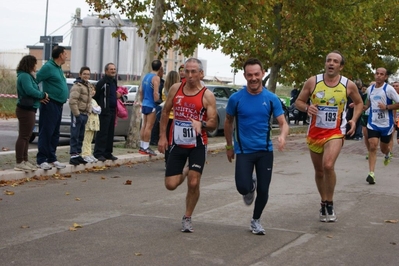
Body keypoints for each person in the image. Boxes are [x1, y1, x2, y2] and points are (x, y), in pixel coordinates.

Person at [295, 50, 363, 222]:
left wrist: (354, 120)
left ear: (341, 66)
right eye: (328, 60)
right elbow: (299, 101)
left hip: (336, 132)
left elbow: (360, 103)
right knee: (319, 171)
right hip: (315, 132)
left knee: (328, 165)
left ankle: (330, 202)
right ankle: (323, 202)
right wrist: (306, 108)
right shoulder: (313, 81)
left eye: (335, 61)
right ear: (325, 63)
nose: (331, 63)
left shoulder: (348, 85)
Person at [224, 58, 289, 235]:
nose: (253, 78)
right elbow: (228, 122)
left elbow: (283, 123)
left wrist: (282, 136)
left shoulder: (271, 98)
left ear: (262, 74)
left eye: (256, 74)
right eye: (249, 75)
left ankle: (256, 220)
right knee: (242, 188)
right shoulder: (236, 99)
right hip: (244, 151)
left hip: (265, 151)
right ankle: (249, 185)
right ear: (245, 75)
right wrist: (229, 146)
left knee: (264, 190)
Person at [158, 58, 217, 233]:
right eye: (186, 71)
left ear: (201, 74)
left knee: (193, 182)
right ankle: (186, 170)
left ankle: (187, 217)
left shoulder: (207, 95)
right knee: (170, 184)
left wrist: (203, 124)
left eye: (193, 72)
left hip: (198, 143)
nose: (189, 75)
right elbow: (165, 111)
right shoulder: (176, 89)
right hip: (178, 143)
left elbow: (213, 122)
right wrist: (162, 136)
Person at [363, 68, 399, 184]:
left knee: (383, 149)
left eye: (381, 74)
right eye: (377, 73)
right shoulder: (370, 89)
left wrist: (387, 107)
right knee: (373, 146)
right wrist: (361, 107)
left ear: (385, 77)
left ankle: (388, 153)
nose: (378, 76)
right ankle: (371, 173)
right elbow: (368, 103)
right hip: (373, 123)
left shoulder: (389, 89)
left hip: (386, 124)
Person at [36, 46, 69, 170]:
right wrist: (39, 96)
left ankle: (52, 158)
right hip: (50, 104)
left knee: (55, 133)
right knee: (46, 132)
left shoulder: (59, 68)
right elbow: (35, 80)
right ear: (60, 55)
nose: (67, 56)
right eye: (65, 53)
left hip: (59, 104)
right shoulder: (48, 67)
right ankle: (41, 159)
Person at [14, 55, 49, 172]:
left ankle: (24, 160)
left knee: (27, 136)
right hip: (25, 110)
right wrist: (42, 95)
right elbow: (29, 90)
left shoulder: (28, 76)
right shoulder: (24, 76)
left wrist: (39, 98)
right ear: (29, 64)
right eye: (35, 63)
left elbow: (30, 92)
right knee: (24, 136)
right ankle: (19, 162)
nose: (36, 66)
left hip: (30, 108)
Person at [93, 63, 119, 162]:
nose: (113, 71)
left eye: (114, 69)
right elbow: (96, 96)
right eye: (111, 69)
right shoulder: (102, 82)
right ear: (106, 71)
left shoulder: (114, 81)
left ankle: (108, 153)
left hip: (113, 111)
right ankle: (98, 153)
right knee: (102, 133)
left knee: (110, 132)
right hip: (104, 112)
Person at [68, 66, 93, 165]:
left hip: (85, 114)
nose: (86, 76)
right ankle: (73, 155)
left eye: (88, 74)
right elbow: (72, 101)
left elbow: (89, 100)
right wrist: (77, 114)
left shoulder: (88, 86)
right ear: (80, 74)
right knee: (75, 134)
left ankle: (78, 154)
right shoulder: (77, 86)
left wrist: (88, 111)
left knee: (81, 135)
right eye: (84, 74)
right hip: (77, 114)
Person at [139, 59, 162, 156]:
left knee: (144, 125)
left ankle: (142, 146)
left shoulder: (146, 76)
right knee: (149, 126)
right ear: (160, 68)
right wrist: (159, 102)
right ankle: (146, 147)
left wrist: (142, 100)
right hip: (151, 104)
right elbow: (155, 93)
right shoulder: (156, 78)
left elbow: (141, 90)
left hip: (144, 103)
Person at [161, 70, 180, 167]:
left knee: (167, 140)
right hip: (175, 117)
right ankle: (173, 161)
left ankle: (167, 161)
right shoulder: (179, 89)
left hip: (166, 117)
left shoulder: (164, 89)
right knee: (175, 141)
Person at [81, 87, 101, 163]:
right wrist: (97, 109)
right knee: (86, 138)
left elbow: (99, 110)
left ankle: (89, 153)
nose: (93, 92)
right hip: (88, 122)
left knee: (90, 139)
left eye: (94, 90)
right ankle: (85, 154)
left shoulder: (94, 100)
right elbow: (95, 109)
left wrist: (97, 109)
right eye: (91, 90)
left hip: (94, 122)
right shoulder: (86, 100)